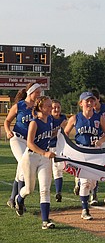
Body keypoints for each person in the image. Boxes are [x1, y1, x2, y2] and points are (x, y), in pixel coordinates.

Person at [64, 92, 105, 220]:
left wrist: (101, 141)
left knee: (93, 183)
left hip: (94, 152)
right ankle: (85, 209)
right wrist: (70, 148)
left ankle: (79, 182)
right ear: (81, 103)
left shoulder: (99, 117)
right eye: (86, 101)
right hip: (81, 151)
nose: (89, 103)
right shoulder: (75, 118)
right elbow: (65, 133)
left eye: (91, 101)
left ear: (95, 103)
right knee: (85, 183)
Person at [14, 96, 56, 229]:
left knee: (45, 189)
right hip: (31, 157)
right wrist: (44, 153)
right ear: (41, 107)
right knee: (29, 189)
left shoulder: (49, 119)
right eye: (48, 106)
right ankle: (19, 198)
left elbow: (48, 135)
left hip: (44, 159)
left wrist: (59, 131)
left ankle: (45, 221)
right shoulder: (34, 122)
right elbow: (30, 143)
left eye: (51, 105)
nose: (51, 108)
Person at [4, 83, 42, 209]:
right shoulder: (19, 105)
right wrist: (8, 131)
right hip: (17, 138)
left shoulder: (37, 108)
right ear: (31, 92)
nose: (39, 94)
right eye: (37, 92)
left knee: (21, 168)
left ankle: (13, 198)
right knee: (24, 163)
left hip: (29, 141)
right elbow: (7, 121)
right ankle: (20, 201)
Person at [86, 89, 105, 205]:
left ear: (98, 99)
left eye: (94, 99)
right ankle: (93, 194)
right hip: (93, 141)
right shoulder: (88, 111)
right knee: (93, 167)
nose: (92, 102)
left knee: (103, 167)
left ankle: (102, 194)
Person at [49, 99, 67, 202]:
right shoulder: (49, 119)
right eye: (54, 107)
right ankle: (47, 191)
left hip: (59, 147)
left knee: (58, 170)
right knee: (48, 171)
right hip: (48, 147)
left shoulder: (63, 118)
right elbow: (50, 134)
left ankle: (58, 192)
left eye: (58, 107)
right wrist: (60, 128)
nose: (56, 109)